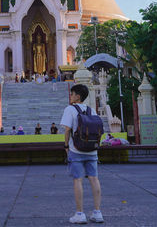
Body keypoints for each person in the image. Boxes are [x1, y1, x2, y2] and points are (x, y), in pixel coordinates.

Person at [60, 84, 104, 224]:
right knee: (94, 179)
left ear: (78, 96)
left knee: (77, 180)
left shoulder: (70, 109)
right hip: (92, 150)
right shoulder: (92, 110)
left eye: (72, 94)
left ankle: (80, 213)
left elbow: (67, 130)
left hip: (76, 150)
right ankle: (97, 212)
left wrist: (66, 146)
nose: (71, 96)